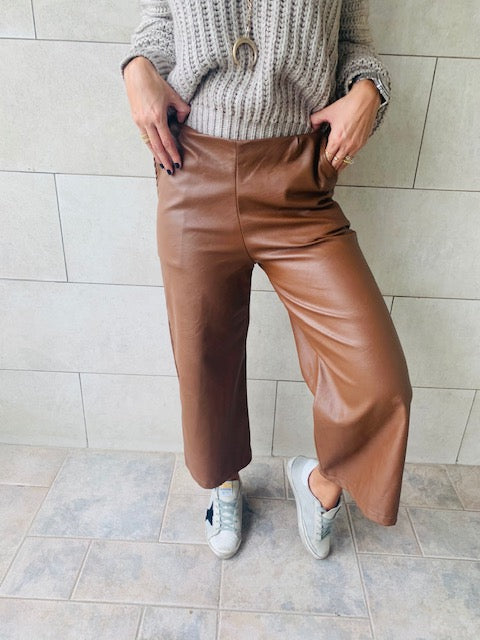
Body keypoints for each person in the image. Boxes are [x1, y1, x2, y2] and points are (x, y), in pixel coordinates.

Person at [121, 0, 412, 561]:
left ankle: (320, 484)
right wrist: (137, 67)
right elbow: (157, 23)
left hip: (298, 183)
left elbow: (352, 41)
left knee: (378, 380)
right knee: (203, 357)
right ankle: (223, 482)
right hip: (192, 170)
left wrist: (369, 91)